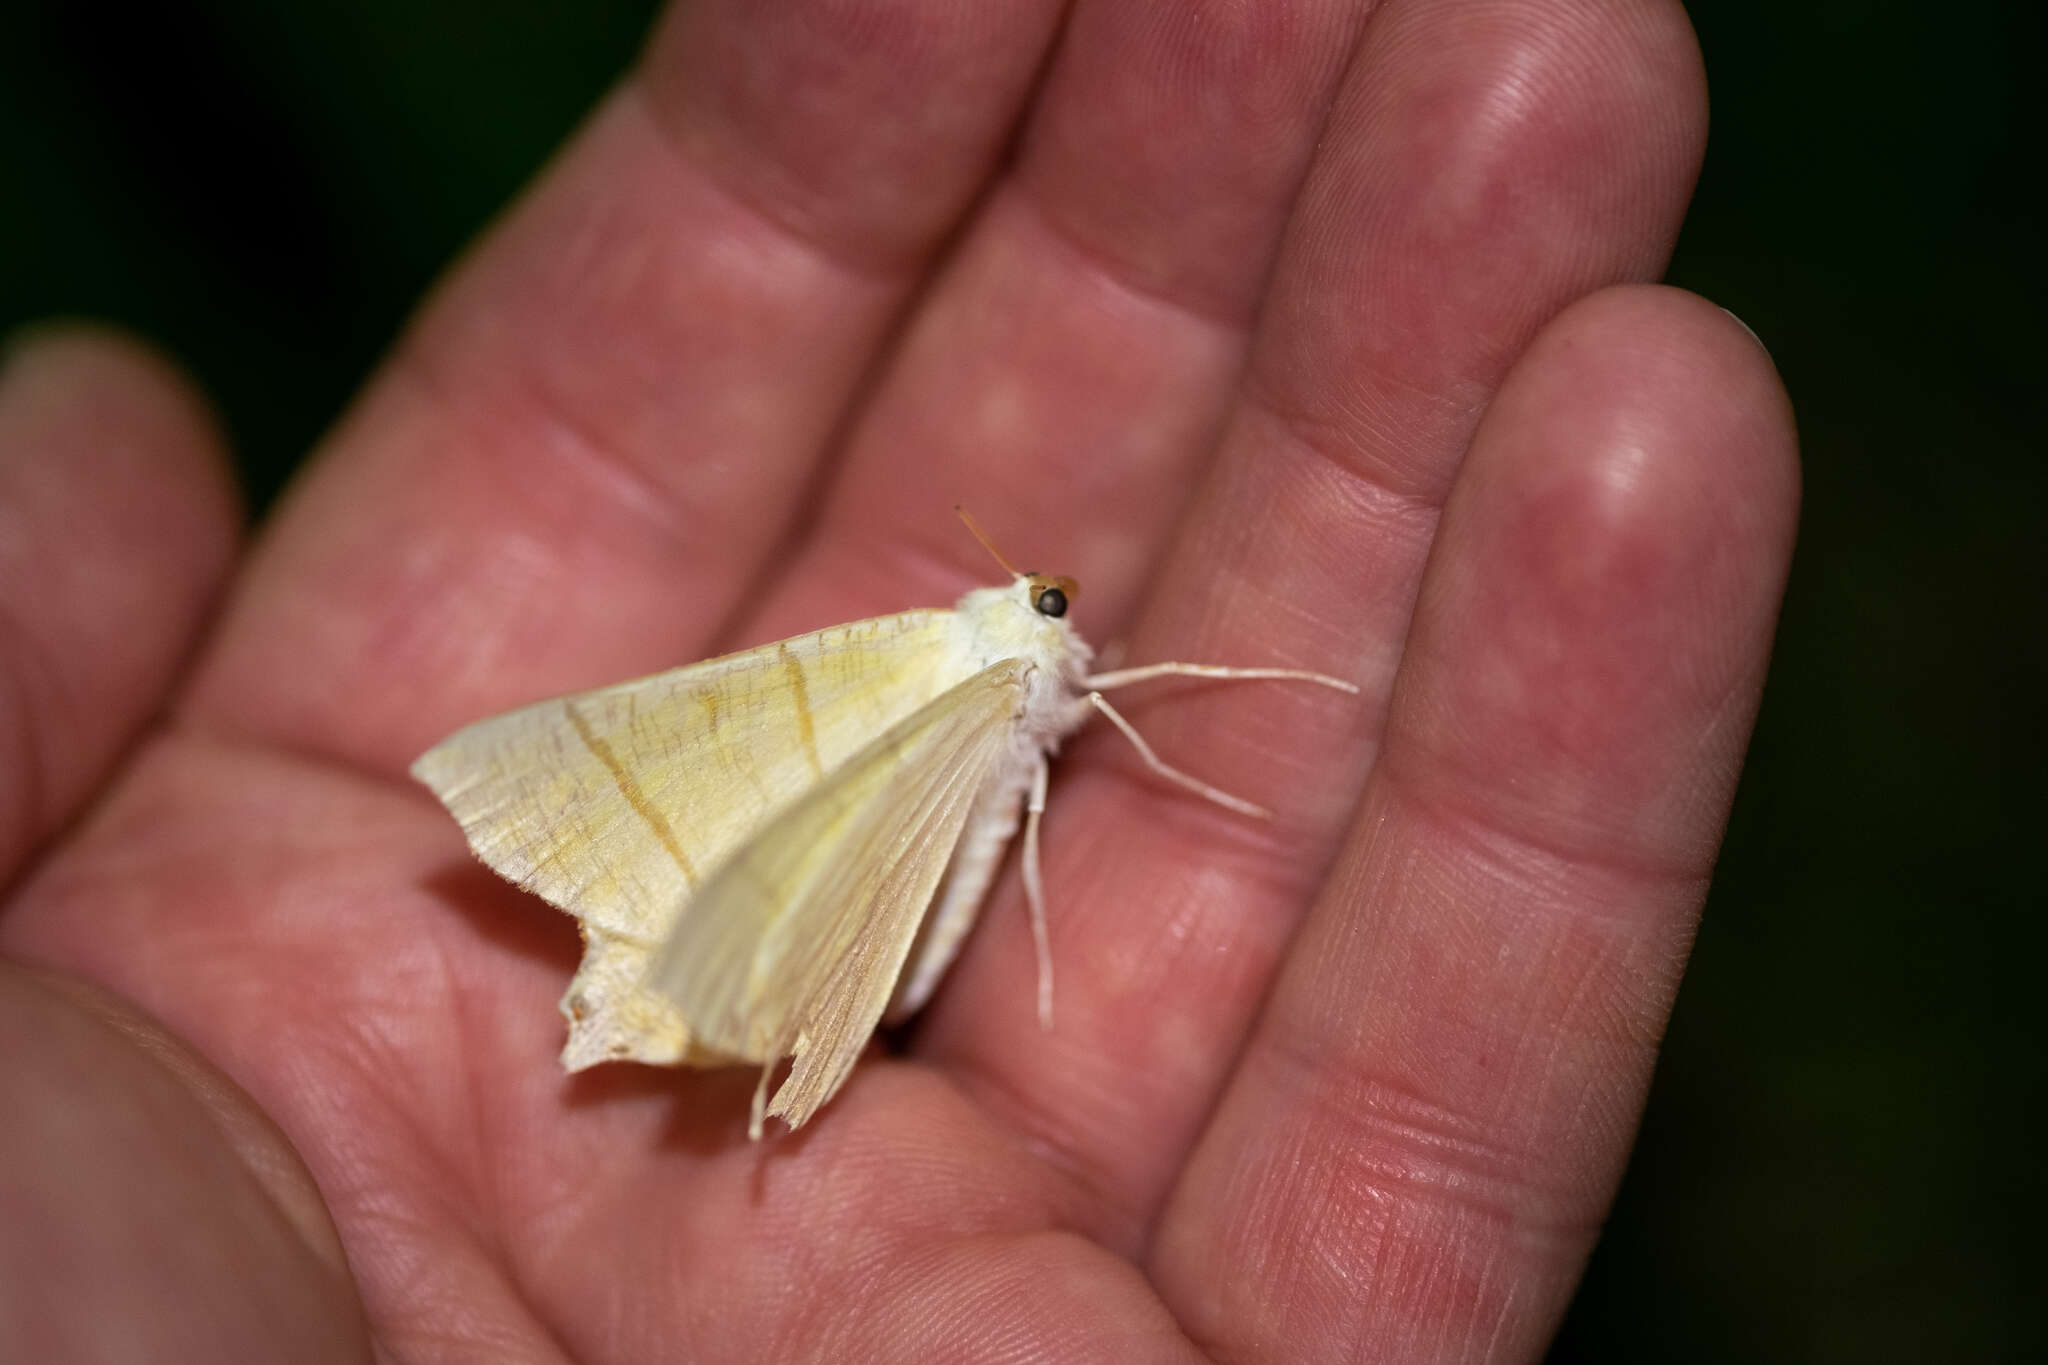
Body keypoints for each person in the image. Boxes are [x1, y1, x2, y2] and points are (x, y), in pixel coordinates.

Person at [0, 1, 1796, 1359]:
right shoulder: (971, 671)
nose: (1072, 630)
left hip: (814, 908)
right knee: (759, 809)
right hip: (818, 933)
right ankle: (700, 986)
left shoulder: (976, 661)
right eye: (1061, 608)